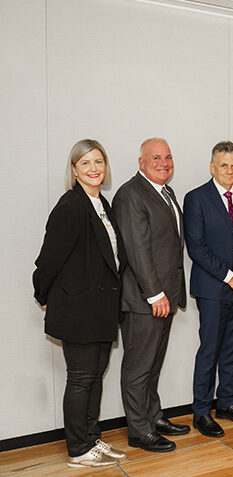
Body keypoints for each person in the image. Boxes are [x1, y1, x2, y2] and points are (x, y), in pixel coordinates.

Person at [33, 140, 127, 468]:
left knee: (95, 375)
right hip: (78, 310)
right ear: (74, 170)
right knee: (81, 377)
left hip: (101, 309)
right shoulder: (71, 206)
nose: (93, 168)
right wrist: (42, 295)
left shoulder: (102, 202)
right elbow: (48, 260)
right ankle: (78, 449)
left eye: (98, 161)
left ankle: (91, 439)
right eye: (85, 163)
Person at [114, 137, 187, 453]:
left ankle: (153, 416)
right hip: (145, 300)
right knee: (138, 368)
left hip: (165, 298)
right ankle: (139, 430)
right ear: (141, 162)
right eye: (156, 157)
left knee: (153, 364)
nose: (164, 163)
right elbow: (137, 251)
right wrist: (155, 294)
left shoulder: (165, 192)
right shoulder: (131, 194)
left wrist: (167, 295)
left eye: (168, 157)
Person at [183, 141, 233, 438]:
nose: (230, 171)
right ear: (212, 167)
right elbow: (197, 248)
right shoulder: (196, 198)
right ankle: (201, 411)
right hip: (214, 287)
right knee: (210, 350)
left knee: (232, 350)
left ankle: (226, 402)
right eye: (224, 165)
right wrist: (230, 278)